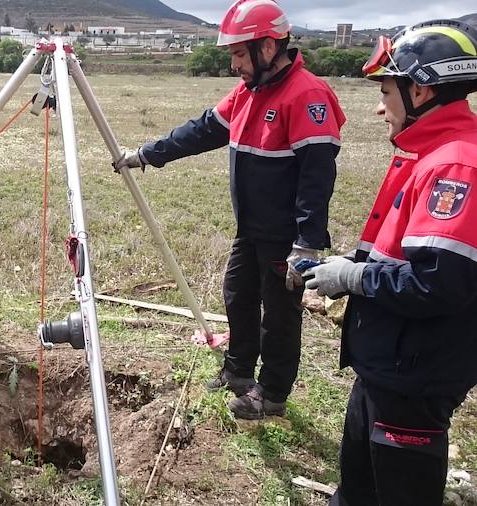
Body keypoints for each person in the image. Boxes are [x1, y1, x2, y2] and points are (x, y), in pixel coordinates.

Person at [116, 0, 345, 419]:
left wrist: (307, 243)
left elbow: (317, 178)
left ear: (268, 48)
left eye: (240, 53)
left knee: (279, 314)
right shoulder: (249, 91)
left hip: (285, 235)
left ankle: (271, 394)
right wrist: (147, 154)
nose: (234, 64)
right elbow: (204, 130)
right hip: (251, 227)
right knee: (238, 296)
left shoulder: (307, 95)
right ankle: (238, 371)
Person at [303, 19, 477, 505]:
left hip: (415, 371)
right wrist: (351, 273)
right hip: (389, 362)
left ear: (419, 90)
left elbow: (440, 283)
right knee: (357, 488)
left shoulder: (454, 165)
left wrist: (355, 277)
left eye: (387, 91)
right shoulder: (430, 153)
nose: (380, 107)